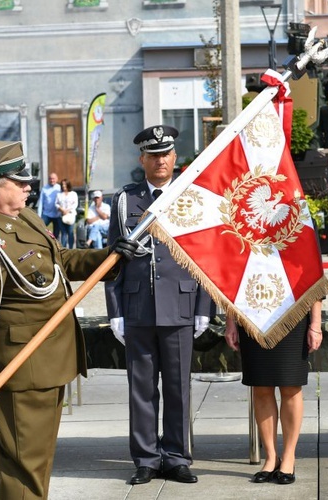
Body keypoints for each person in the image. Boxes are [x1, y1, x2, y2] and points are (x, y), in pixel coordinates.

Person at [0, 139, 139, 499]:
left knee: (36, 460)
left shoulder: (24, 217)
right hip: (22, 368)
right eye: (18, 181)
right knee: (26, 468)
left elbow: (61, 260)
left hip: (48, 361)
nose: (28, 186)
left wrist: (108, 257)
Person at [104, 125, 212, 485]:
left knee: (179, 388)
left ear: (174, 158)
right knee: (142, 388)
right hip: (137, 307)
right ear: (143, 160)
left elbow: (205, 257)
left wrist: (204, 306)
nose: (160, 160)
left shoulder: (190, 197)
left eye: (165, 154)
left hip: (180, 303)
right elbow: (113, 260)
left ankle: (177, 456)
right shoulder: (124, 200)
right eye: (153, 155)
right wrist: (115, 310)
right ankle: (146, 458)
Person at [223, 301, 323, 485]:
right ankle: (271, 457)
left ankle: (289, 457)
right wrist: (230, 322)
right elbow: (232, 279)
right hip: (252, 315)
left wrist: (316, 324)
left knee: (291, 386)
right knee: (260, 386)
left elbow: (315, 281)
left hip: (293, 314)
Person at [37, 172, 61, 240]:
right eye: (50, 179)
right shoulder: (44, 188)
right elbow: (41, 202)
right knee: (41, 229)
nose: (52, 180)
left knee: (56, 234)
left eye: (53, 178)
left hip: (57, 215)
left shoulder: (59, 188)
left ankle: (56, 247)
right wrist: (39, 215)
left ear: (57, 179)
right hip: (46, 214)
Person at [55, 178, 78, 248]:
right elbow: (56, 204)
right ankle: (64, 248)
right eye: (62, 184)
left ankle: (71, 248)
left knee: (70, 232)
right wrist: (61, 210)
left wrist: (68, 210)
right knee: (63, 233)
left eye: (65, 184)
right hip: (61, 216)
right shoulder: (59, 194)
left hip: (70, 215)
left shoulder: (73, 194)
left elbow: (75, 204)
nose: (63, 186)